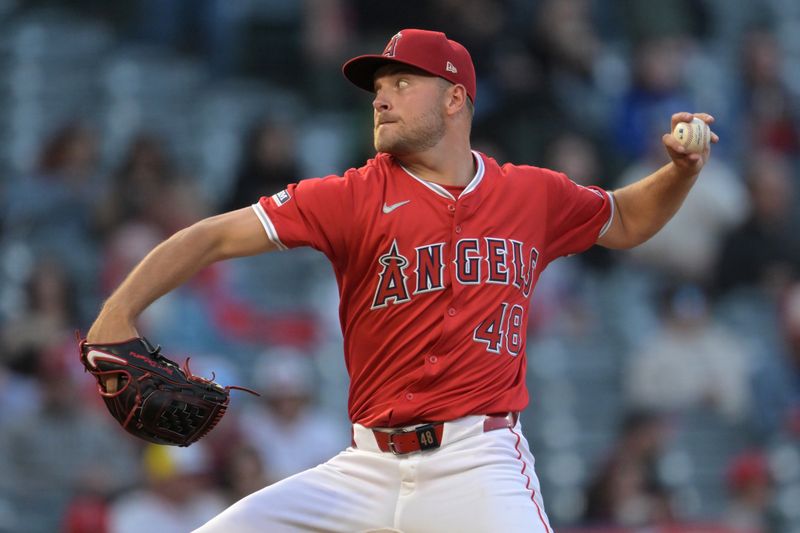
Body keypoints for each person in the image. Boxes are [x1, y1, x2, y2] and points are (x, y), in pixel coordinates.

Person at [86, 29, 718, 532]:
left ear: (454, 98)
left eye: (401, 82)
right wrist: (117, 316)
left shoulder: (532, 194)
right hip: (364, 469)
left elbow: (628, 218)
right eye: (378, 87)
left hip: (476, 463)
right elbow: (212, 235)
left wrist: (681, 173)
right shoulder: (352, 195)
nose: (381, 98)